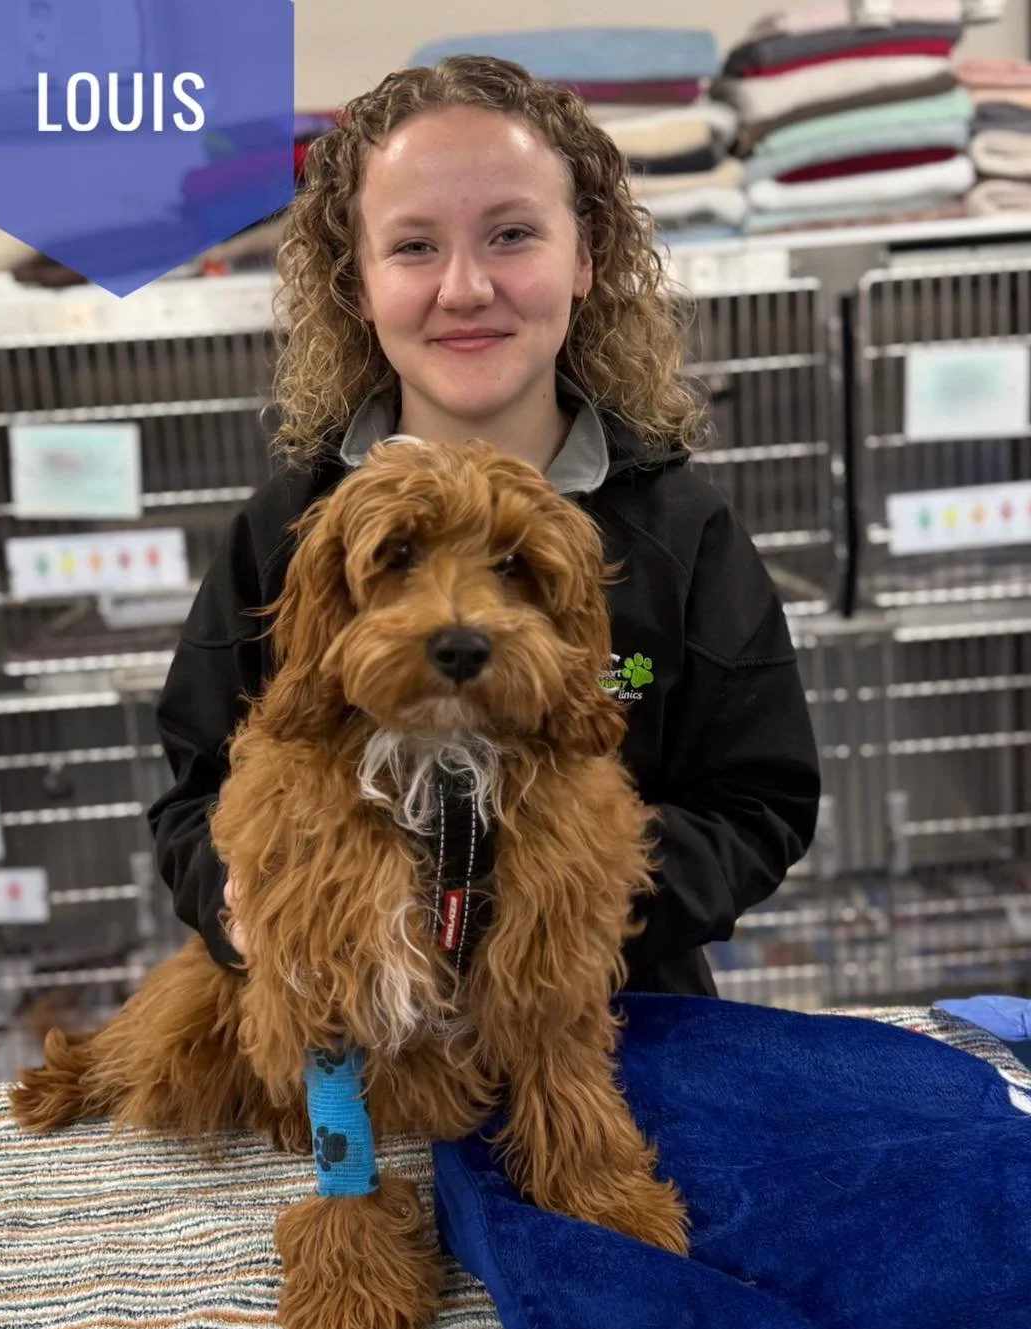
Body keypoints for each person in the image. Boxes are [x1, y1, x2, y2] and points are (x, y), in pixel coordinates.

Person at [147, 54, 821, 998]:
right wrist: (257, 906)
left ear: (585, 258)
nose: (464, 288)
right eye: (414, 247)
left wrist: (548, 912)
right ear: (357, 281)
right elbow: (192, 795)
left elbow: (762, 802)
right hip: (348, 1032)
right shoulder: (285, 533)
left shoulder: (682, 531)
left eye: (511, 234)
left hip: (613, 1019)